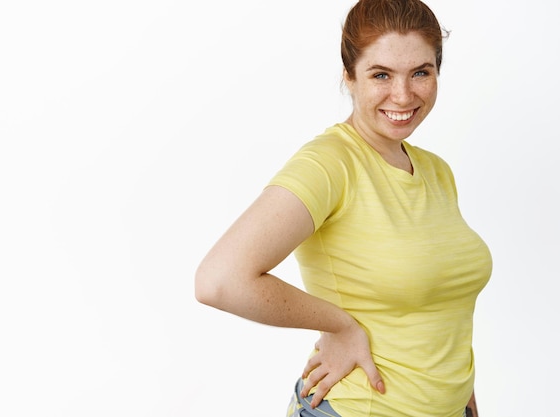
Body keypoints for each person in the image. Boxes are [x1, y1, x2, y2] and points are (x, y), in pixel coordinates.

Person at [194, 0, 492, 416]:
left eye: (420, 72)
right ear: (349, 76)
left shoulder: (435, 172)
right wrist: (340, 324)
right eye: (381, 74)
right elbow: (219, 280)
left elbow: (442, 312)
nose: (403, 94)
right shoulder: (329, 165)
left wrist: (465, 401)